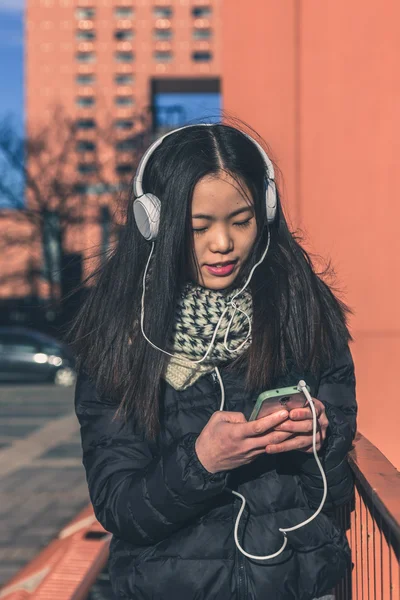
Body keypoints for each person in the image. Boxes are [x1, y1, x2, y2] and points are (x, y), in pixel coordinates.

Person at [72, 123, 357, 600]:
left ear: (265, 213)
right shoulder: (121, 334)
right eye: (198, 227)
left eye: (241, 221)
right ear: (154, 224)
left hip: (295, 585)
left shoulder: (301, 307)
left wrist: (318, 439)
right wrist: (202, 462)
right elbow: (120, 507)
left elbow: (333, 484)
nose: (222, 244)